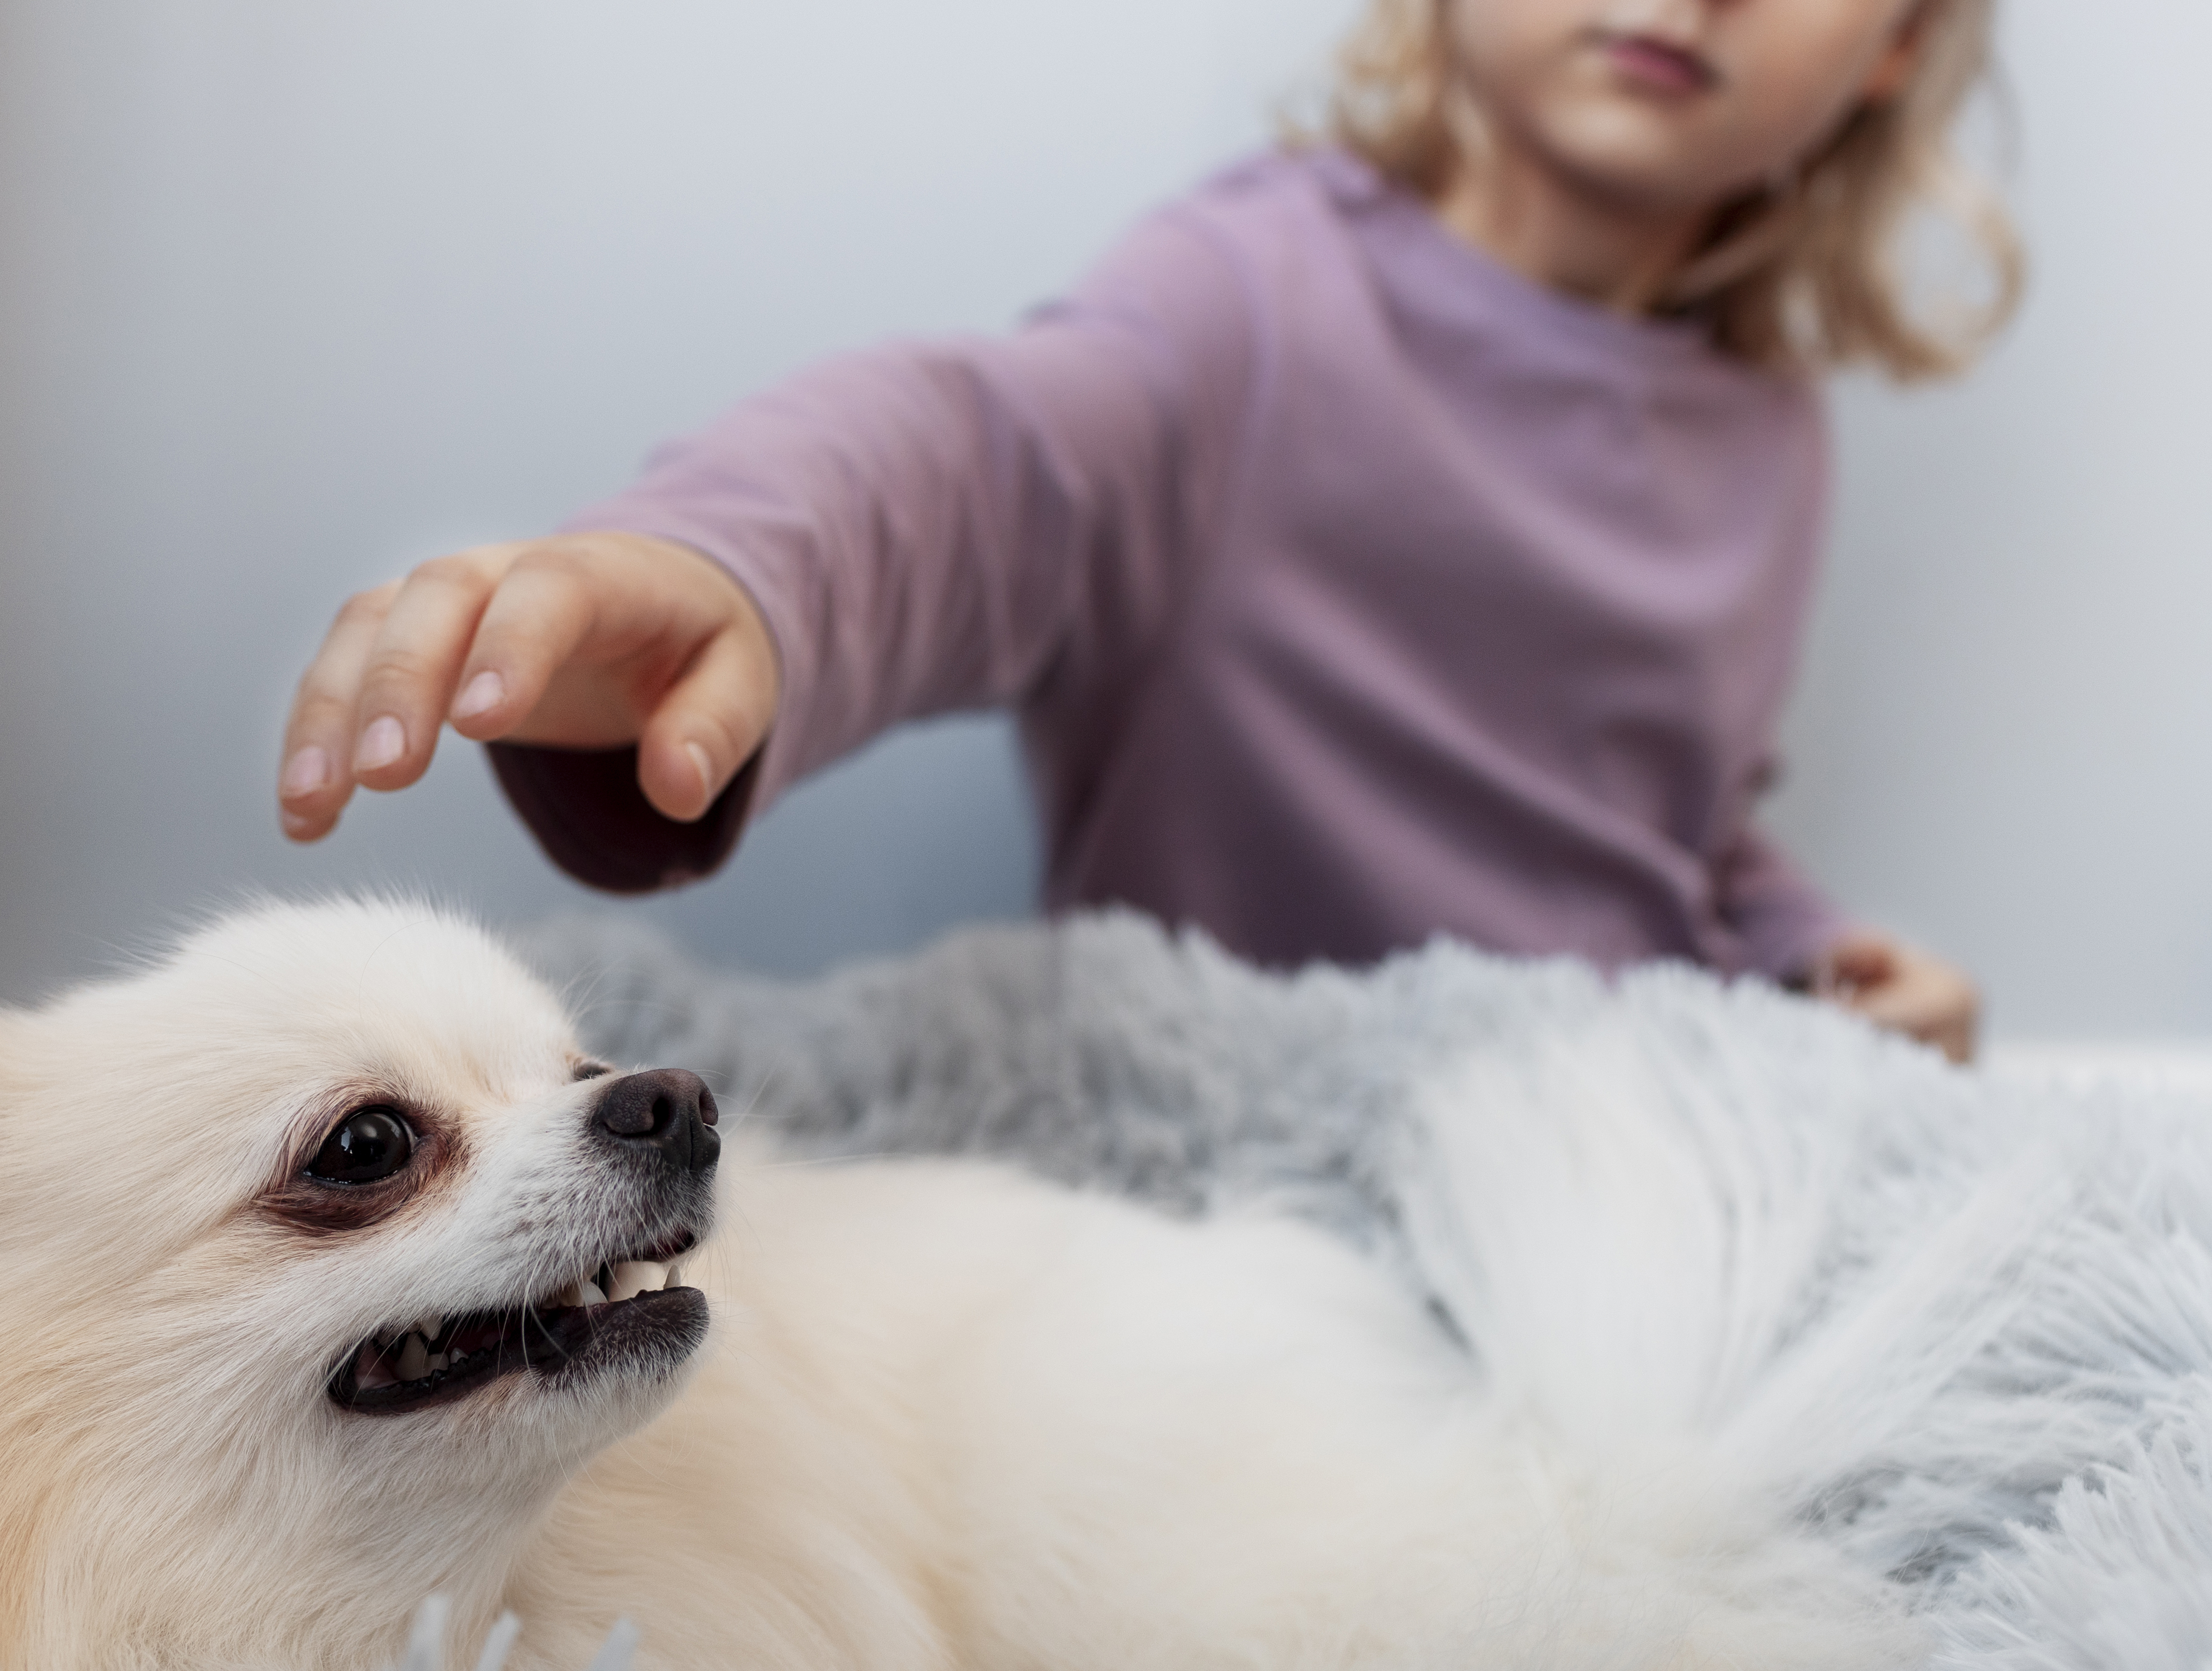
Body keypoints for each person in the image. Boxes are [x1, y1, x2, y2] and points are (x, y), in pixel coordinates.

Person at [274, 0, 2016, 1062]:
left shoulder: (1768, 432)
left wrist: (1812, 956)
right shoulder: (1253, 304)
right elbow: (981, 459)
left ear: (1893, 49)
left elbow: (1663, 824)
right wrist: (731, 564)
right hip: (1283, 1170)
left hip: (1651, 1117)